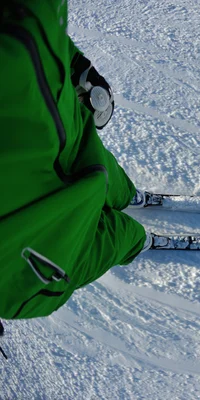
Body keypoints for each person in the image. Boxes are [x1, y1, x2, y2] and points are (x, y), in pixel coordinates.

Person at [0, 0, 151, 320]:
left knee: (105, 175)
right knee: (112, 236)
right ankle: (140, 238)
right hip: (29, 235)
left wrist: (74, 66)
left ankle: (130, 200)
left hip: (70, 134)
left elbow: (36, 27)